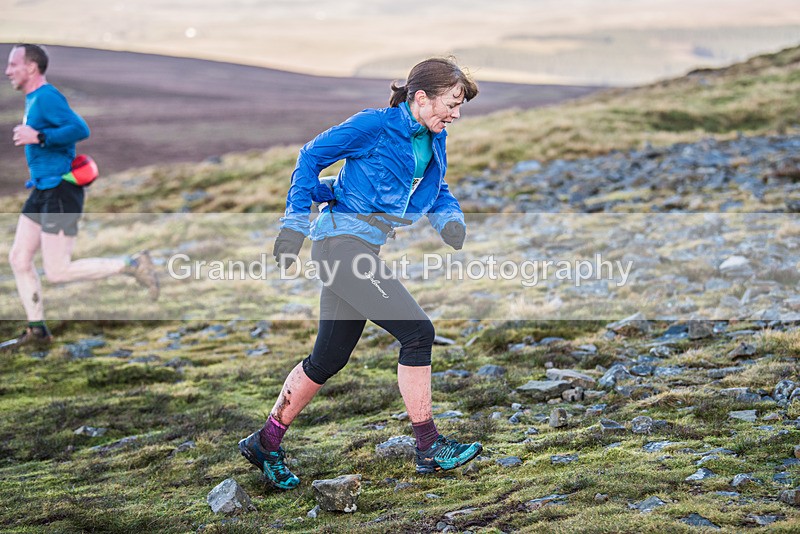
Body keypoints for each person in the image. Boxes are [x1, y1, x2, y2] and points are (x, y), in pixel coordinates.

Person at [239, 57, 481, 489]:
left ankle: (266, 442)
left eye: (460, 106)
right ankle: (429, 446)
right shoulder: (374, 125)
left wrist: (449, 219)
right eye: (452, 103)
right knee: (418, 332)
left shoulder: (432, 137)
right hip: (339, 246)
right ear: (420, 97)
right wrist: (293, 226)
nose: (456, 114)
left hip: (360, 246)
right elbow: (309, 157)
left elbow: (435, 187)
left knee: (327, 359)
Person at [3, 44, 159, 351]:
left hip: (61, 191)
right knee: (19, 258)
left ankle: (132, 264)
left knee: (57, 271)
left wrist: (40, 137)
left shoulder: (46, 96)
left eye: (13, 64)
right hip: (42, 189)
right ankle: (38, 332)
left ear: (31, 67)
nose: (7, 70)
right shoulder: (33, 99)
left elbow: (79, 128)